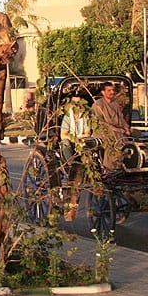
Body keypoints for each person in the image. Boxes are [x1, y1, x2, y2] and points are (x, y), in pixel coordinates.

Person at [59, 94, 94, 222]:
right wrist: (75, 139)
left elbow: (87, 133)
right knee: (65, 144)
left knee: (89, 144)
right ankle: (72, 164)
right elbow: (63, 134)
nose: (77, 106)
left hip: (82, 142)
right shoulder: (67, 116)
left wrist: (81, 140)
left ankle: (85, 164)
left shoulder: (86, 116)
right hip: (70, 143)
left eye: (79, 103)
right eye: (75, 103)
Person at [92, 82, 140, 170]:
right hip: (104, 132)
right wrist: (116, 129)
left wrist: (126, 128)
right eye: (109, 90)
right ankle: (110, 167)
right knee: (113, 140)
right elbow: (100, 123)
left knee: (139, 135)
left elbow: (121, 119)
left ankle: (137, 162)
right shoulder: (98, 105)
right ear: (103, 92)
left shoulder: (115, 104)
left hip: (119, 130)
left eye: (113, 90)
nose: (112, 92)